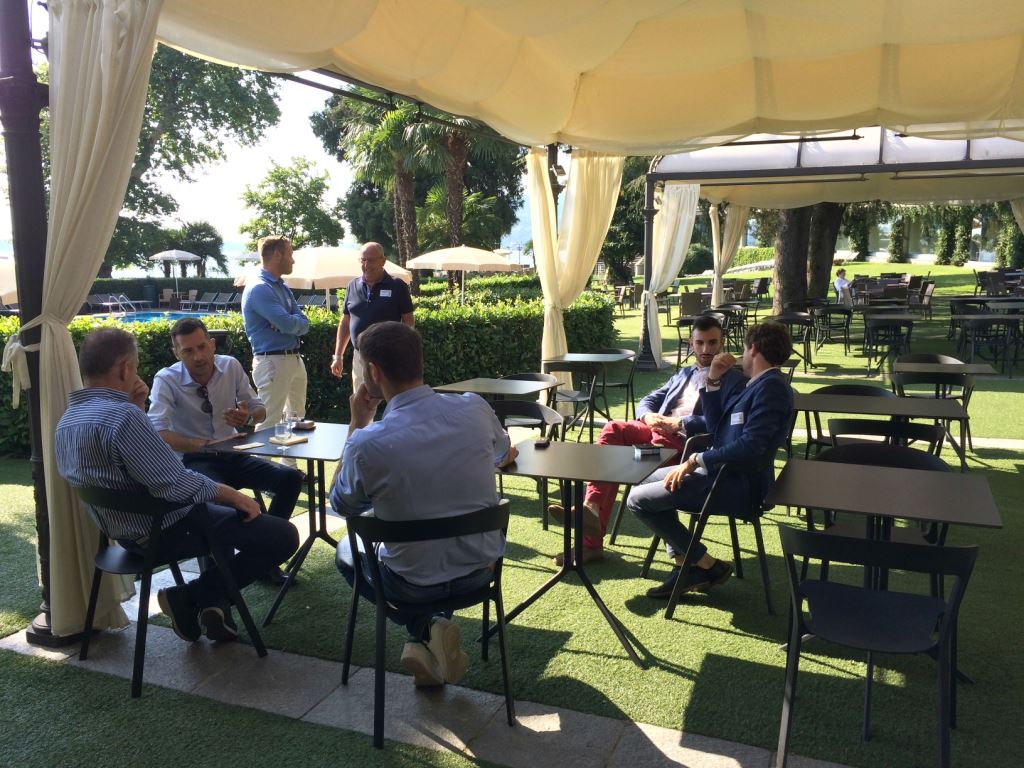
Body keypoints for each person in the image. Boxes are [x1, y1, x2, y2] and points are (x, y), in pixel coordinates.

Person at [55, 328, 298, 642]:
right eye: (136, 367)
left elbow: (127, 470)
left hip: (124, 536)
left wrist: (138, 408)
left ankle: (200, 599)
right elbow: (175, 484)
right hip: (166, 529)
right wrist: (234, 497)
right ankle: (192, 595)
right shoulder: (123, 417)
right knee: (283, 536)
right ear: (125, 369)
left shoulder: (67, 420)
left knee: (238, 514)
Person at [330, 321, 517, 688]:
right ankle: (430, 640)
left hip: (410, 584)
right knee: (431, 539)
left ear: (373, 372)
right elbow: (501, 452)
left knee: (345, 553)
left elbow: (341, 503)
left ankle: (427, 628)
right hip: (481, 571)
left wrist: (357, 424)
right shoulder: (475, 408)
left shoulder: (367, 443)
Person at [547, 315, 745, 566]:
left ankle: (590, 544)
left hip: (683, 444)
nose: (706, 349)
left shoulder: (733, 380)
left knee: (614, 464)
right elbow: (650, 399)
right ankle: (591, 507)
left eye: (712, 342)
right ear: (691, 344)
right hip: (655, 432)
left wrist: (681, 423)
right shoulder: (683, 373)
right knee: (612, 429)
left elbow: (723, 424)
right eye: (700, 343)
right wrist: (647, 415)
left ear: (722, 343)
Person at [626, 321, 794, 599]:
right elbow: (716, 429)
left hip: (737, 485)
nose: (742, 355)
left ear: (753, 349)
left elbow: (751, 446)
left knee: (637, 500)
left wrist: (695, 460)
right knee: (642, 480)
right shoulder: (759, 384)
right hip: (720, 475)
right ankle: (698, 564)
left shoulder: (771, 387)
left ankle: (699, 565)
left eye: (744, 349)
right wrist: (713, 380)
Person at [148, 317, 303, 585]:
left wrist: (247, 416)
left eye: (201, 347)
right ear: (177, 353)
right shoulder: (167, 379)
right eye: (188, 351)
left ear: (211, 344)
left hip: (233, 453)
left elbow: (259, 408)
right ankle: (218, 585)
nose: (198, 356)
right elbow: (158, 433)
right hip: (195, 460)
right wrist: (202, 444)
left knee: (290, 478)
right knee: (217, 503)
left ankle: (264, 556)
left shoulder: (230, 366)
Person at [241, 235, 309, 467]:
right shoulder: (260, 288)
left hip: (292, 359)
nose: (293, 260)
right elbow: (290, 324)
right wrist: (290, 323)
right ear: (277, 255)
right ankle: (262, 473)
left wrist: (289, 323)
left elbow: (302, 323)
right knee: (269, 419)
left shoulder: (281, 286)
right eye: (290, 254)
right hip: (272, 361)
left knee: (295, 417)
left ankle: (289, 468)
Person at [330, 241, 414, 390]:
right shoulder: (352, 286)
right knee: (361, 397)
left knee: (391, 397)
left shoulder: (397, 285)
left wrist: (404, 352)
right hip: (360, 356)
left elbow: (408, 321)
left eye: (371, 260)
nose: (366, 264)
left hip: (388, 356)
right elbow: (346, 322)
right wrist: (338, 356)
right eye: (363, 260)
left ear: (383, 261)